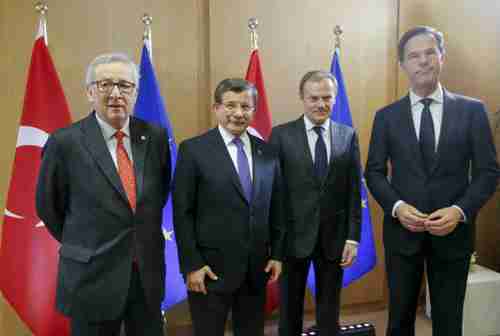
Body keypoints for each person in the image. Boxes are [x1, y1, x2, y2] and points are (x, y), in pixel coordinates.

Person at [365, 26, 499, 336]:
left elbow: (488, 173)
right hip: (402, 233)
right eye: (414, 56)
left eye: (429, 53)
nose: (422, 61)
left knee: (448, 319)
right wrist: (397, 207)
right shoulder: (386, 116)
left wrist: (460, 211)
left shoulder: (472, 111)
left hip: (454, 234)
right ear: (403, 65)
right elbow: (373, 171)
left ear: (442, 58)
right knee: (398, 319)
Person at [36, 53, 171, 336]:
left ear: (135, 92)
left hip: (145, 274)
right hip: (92, 274)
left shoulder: (155, 136)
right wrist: (86, 241)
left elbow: (158, 195)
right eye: (105, 84)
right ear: (89, 92)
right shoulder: (65, 142)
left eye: (125, 85)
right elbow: (48, 207)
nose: (115, 93)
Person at [172, 78, 285, 336]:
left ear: (254, 111)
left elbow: (277, 207)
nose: (238, 113)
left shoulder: (267, 152)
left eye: (245, 106)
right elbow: (182, 212)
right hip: (209, 271)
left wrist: (277, 253)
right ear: (216, 108)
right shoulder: (193, 150)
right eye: (230, 105)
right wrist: (192, 264)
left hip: (256, 269)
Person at [270, 70, 361, 336]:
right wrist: (274, 242)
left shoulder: (347, 135)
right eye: (314, 98)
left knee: (329, 311)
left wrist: (353, 238)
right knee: (289, 310)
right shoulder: (281, 135)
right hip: (292, 239)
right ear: (302, 98)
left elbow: (354, 190)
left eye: (327, 98)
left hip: (334, 239)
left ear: (335, 99)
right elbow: (273, 192)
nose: (321, 104)